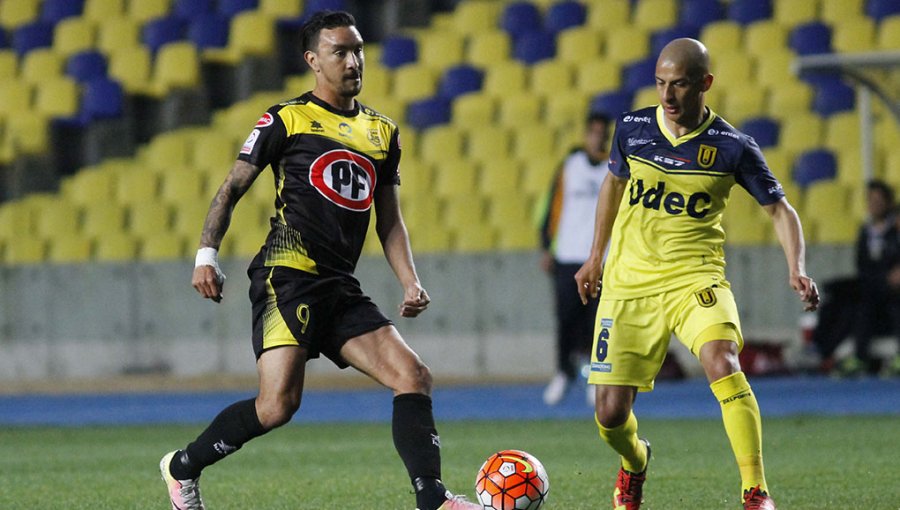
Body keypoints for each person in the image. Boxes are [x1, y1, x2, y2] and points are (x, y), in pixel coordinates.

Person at [158, 11, 480, 510]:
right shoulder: (285, 119)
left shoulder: (382, 132)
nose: (353, 61)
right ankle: (181, 468)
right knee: (277, 406)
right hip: (287, 276)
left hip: (338, 285)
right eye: (340, 52)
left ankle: (433, 500)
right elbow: (232, 187)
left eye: (358, 50)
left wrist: (409, 280)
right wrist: (206, 255)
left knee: (413, 376)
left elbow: (388, 220)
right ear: (313, 60)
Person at [574, 38, 819, 510]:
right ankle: (635, 462)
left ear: (704, 84)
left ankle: (755, 490)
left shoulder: (732, 147)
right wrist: (595, 256)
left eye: (679, 84)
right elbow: (613, 183)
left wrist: (798, 267)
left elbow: (780, 211)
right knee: (609, 415)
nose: (667, 96)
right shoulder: (633, 128)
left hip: (695, 278)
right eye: (661, 83)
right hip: (629, 283)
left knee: (722, 361)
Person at [537, 111, 612, 406]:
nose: (597, 138)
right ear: (586, 135)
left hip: (600, 258)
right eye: (593, 132)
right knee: (566, 318)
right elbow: (551, 208)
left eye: (602, 133)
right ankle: (563, 371)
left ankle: (596, 378)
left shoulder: (614, 168)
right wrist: (546, 246)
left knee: (598, 322)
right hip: (568, 255)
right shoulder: (569, 166)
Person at [843, 180, 900, 375]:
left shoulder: (897, 227)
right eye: (871, 200)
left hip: (896, 288)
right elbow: (861, 264)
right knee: (862, 305)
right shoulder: (865, 231)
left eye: (878, 200)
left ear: (888, 202)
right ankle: (859, 358)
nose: (874, 204)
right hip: (876, 287)